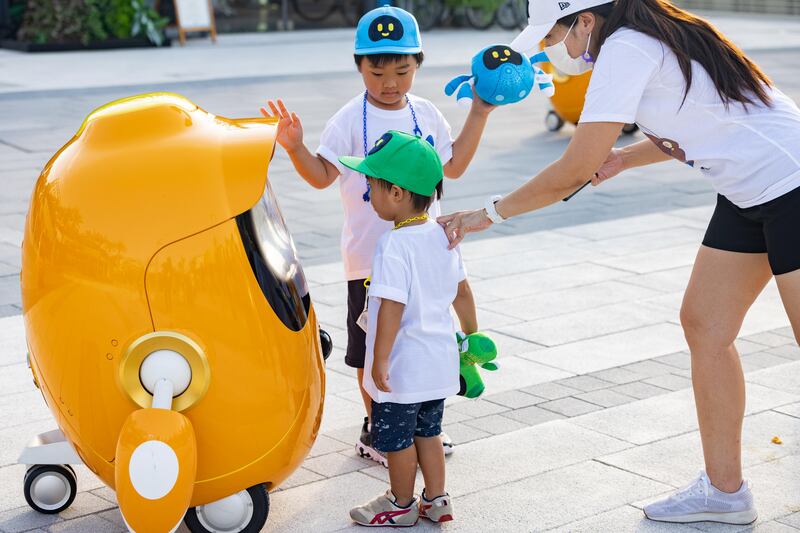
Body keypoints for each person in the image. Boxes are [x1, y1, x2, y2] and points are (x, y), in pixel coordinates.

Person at [438, 0, 800, 526]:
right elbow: (693, 124)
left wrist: (486, 214)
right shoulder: (643, 38)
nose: (554, 51)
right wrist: (627, 159)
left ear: (585, 20)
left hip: (791, 185)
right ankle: (725, 493)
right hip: (748, 192)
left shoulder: (626, 48)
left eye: (554, 36)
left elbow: (572, 169)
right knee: (705, 324)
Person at [261, 5, 491, 467]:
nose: (390, 83)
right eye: (377, 70)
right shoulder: (349, 118)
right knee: (370, 351)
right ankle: (379, 431)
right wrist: (295, 147)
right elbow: (324, 175)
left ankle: (421, 429)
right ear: (359, 66)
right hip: (369, 261)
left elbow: (454, 167)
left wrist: (480, 112)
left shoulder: (426, 114)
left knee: (420, 341)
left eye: (402, 71)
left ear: (417, 65)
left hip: (426, 253)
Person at [342, 131, 476, 527]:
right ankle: (436, 500)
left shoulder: (393, 244)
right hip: (438, 363)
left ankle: (399, 503)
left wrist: (380, 359)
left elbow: (392, 309)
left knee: (397, 439)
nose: (369, 194)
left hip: (404, 365)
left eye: (372, 186)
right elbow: (463, 292)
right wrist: (470, 337)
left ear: (397, 193)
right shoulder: (444, 234)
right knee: (429, 432)